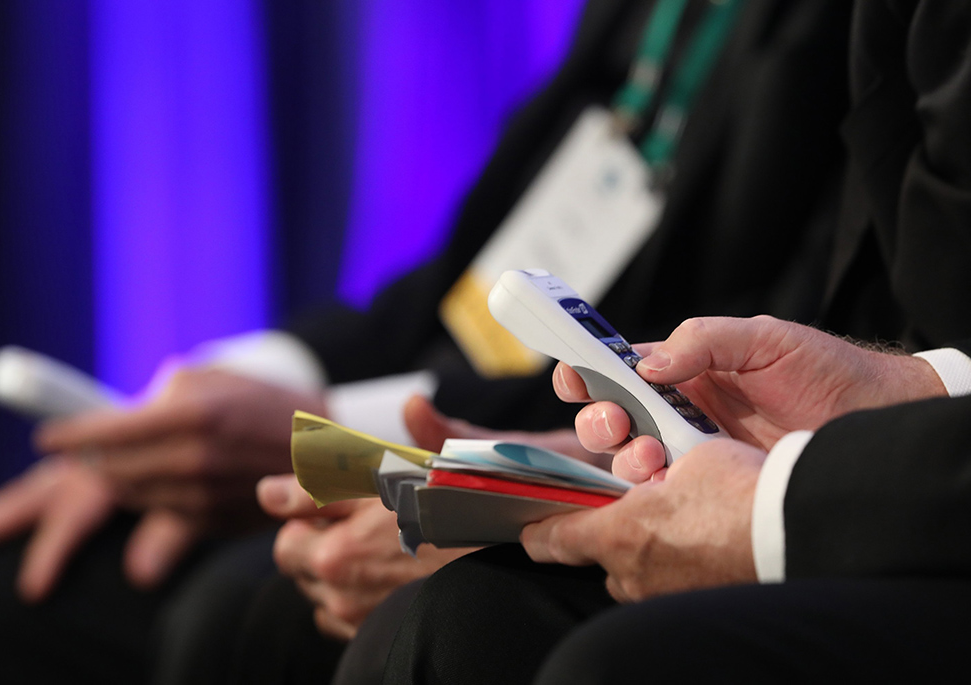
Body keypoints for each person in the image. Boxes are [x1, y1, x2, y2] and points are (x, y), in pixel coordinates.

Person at [0, 0, 852, 682]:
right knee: (4, 589)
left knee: (260, 614)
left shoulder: (849, 40)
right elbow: (458, 288)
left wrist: (318, 430)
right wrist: (198, 409)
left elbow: (751, 352)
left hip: (634, 459)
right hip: (453, 415)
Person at [372, 2, 971, 682]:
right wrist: (915, 387)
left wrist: (777, 501)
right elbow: (465, 253)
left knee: (557, 647)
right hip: (890, 449)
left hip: (907, 501)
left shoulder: (820, 32)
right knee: (457, 614)